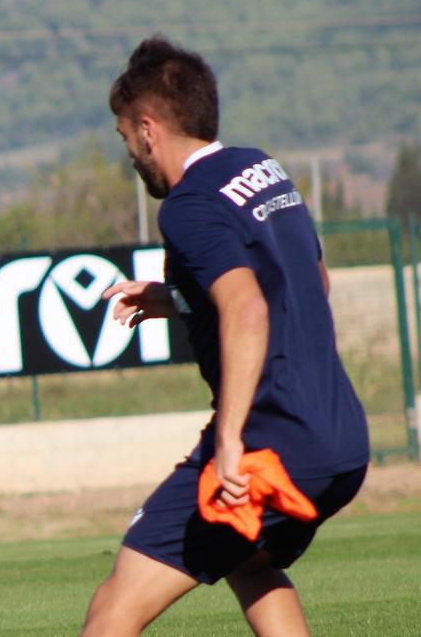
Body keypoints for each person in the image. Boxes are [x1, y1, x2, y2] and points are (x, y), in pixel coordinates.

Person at [81, 37, 369, 636]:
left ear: (148, 127)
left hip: (270, 442)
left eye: (125, 137)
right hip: (342, 439)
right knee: (249, 563)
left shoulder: (187, 205)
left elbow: (247, 310)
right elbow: (309, 280)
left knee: (115, 607)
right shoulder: (261, 169)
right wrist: (177, 298)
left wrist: (231, 440)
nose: (130, 153)